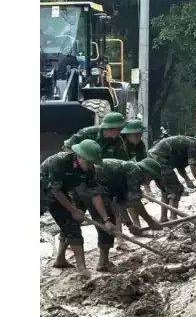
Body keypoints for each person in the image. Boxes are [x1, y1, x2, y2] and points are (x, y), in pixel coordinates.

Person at [40, 140, 112, 279]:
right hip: (42, 189)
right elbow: (55, 191)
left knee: (72, 226)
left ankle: (80, 268)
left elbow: (95, 194)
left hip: (61, 191)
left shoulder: (89, 169)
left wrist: (106, 219)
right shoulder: (59, 162)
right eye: (90, 162)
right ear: (80, 157)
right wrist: (74, 209)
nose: (91, 165)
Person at [88, 158, 164, 257]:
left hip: (102, 185)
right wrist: (151, 222)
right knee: (109, 219)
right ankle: (107, 256)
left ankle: (120, 242)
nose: (149, 182)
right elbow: (136, 202)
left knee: (116, 213)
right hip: (93, 183)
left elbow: (120, 202)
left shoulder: (127, 175)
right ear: (147, 172)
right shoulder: (135, 171)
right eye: (151, 178)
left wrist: (129, 224)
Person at [147, 130, 196, 223]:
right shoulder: (195, 145)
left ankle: (164, 218)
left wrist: (187, 180)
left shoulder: (189, 144)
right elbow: (194, 168)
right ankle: (173, 219)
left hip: (154, 158)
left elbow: (179, 165)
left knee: (166, 190)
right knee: (176, 189)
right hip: (159, 160)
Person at [63, 112, 129, 160]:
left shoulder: (118, 140)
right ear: (110, 128)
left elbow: (124, 160)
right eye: (119, 129)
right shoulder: (87, 133)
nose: (120, 131)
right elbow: (67, 147)